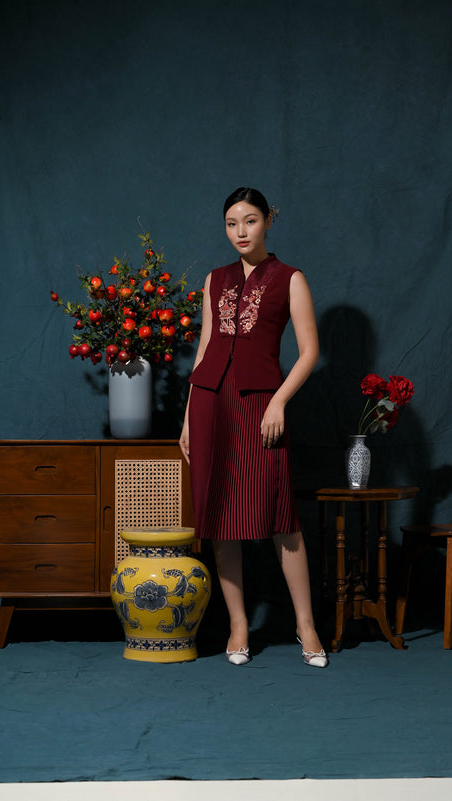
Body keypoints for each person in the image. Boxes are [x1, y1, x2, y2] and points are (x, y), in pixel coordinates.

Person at [179, 187, 327, 668]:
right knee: (218, 514)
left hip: (261, 404)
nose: (240, 232)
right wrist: (188, 417)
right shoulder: (214, 279)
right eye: (231, 223)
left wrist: (279, 401)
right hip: (210, 404)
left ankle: (306, 625)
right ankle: (239, 624)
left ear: (268, 221)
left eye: (250, 221)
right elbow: (205, 348)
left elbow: (309, 352)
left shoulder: (290, 278)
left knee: (280, 515)